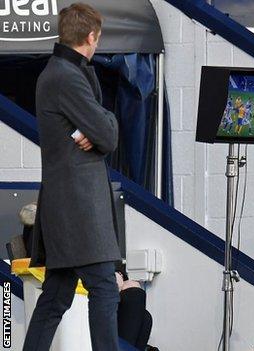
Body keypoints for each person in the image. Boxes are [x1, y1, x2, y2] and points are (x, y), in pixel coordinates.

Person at [25, 3, 121, 351]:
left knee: (55, 298)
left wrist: (97, 126)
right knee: (105, 290)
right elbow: (109, 136)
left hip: (66, 207)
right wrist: (102, 125)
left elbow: (100, 129)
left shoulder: (61, 72)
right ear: (92, 36)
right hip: (78, 209)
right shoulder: (66, 76)